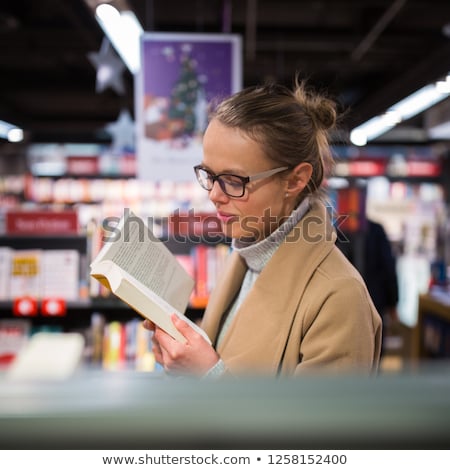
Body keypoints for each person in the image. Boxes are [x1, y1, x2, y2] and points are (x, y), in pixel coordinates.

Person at [143, 78, 382, 377]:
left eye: (234, 180)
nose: (214, 195)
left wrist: (207, 375)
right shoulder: (246, 255)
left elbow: (324, 422)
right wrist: (184, 356)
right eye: (209, 174)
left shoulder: (340, 297)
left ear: (295, 180)